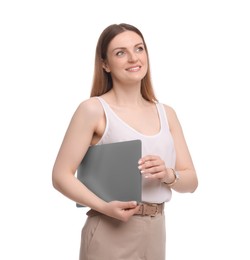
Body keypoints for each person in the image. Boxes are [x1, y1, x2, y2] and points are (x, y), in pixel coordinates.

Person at [52, 23, 198, 260]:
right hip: (110, 230)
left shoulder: (166, 113)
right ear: (105, 64)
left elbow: (191, 181)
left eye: (139, 49)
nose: (133, 58)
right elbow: (60, 176)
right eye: (121, 53)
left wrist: (168, 175)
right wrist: (104, 207)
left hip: (156, 230)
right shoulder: (93, 110)